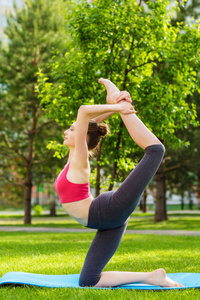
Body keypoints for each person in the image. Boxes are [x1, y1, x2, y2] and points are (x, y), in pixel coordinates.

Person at [55, 78, 183, 288]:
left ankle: (122, 105)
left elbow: (83, 111)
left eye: (71, 130)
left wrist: (119, 107)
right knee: (88, 281)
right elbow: (86, 122)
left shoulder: (80, 158)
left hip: (108, 211)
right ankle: (153, 276)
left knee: (155, 151)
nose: (67, 131)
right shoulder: (71, 159)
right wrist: (114, 106)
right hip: (106, 220)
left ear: (81, 138)